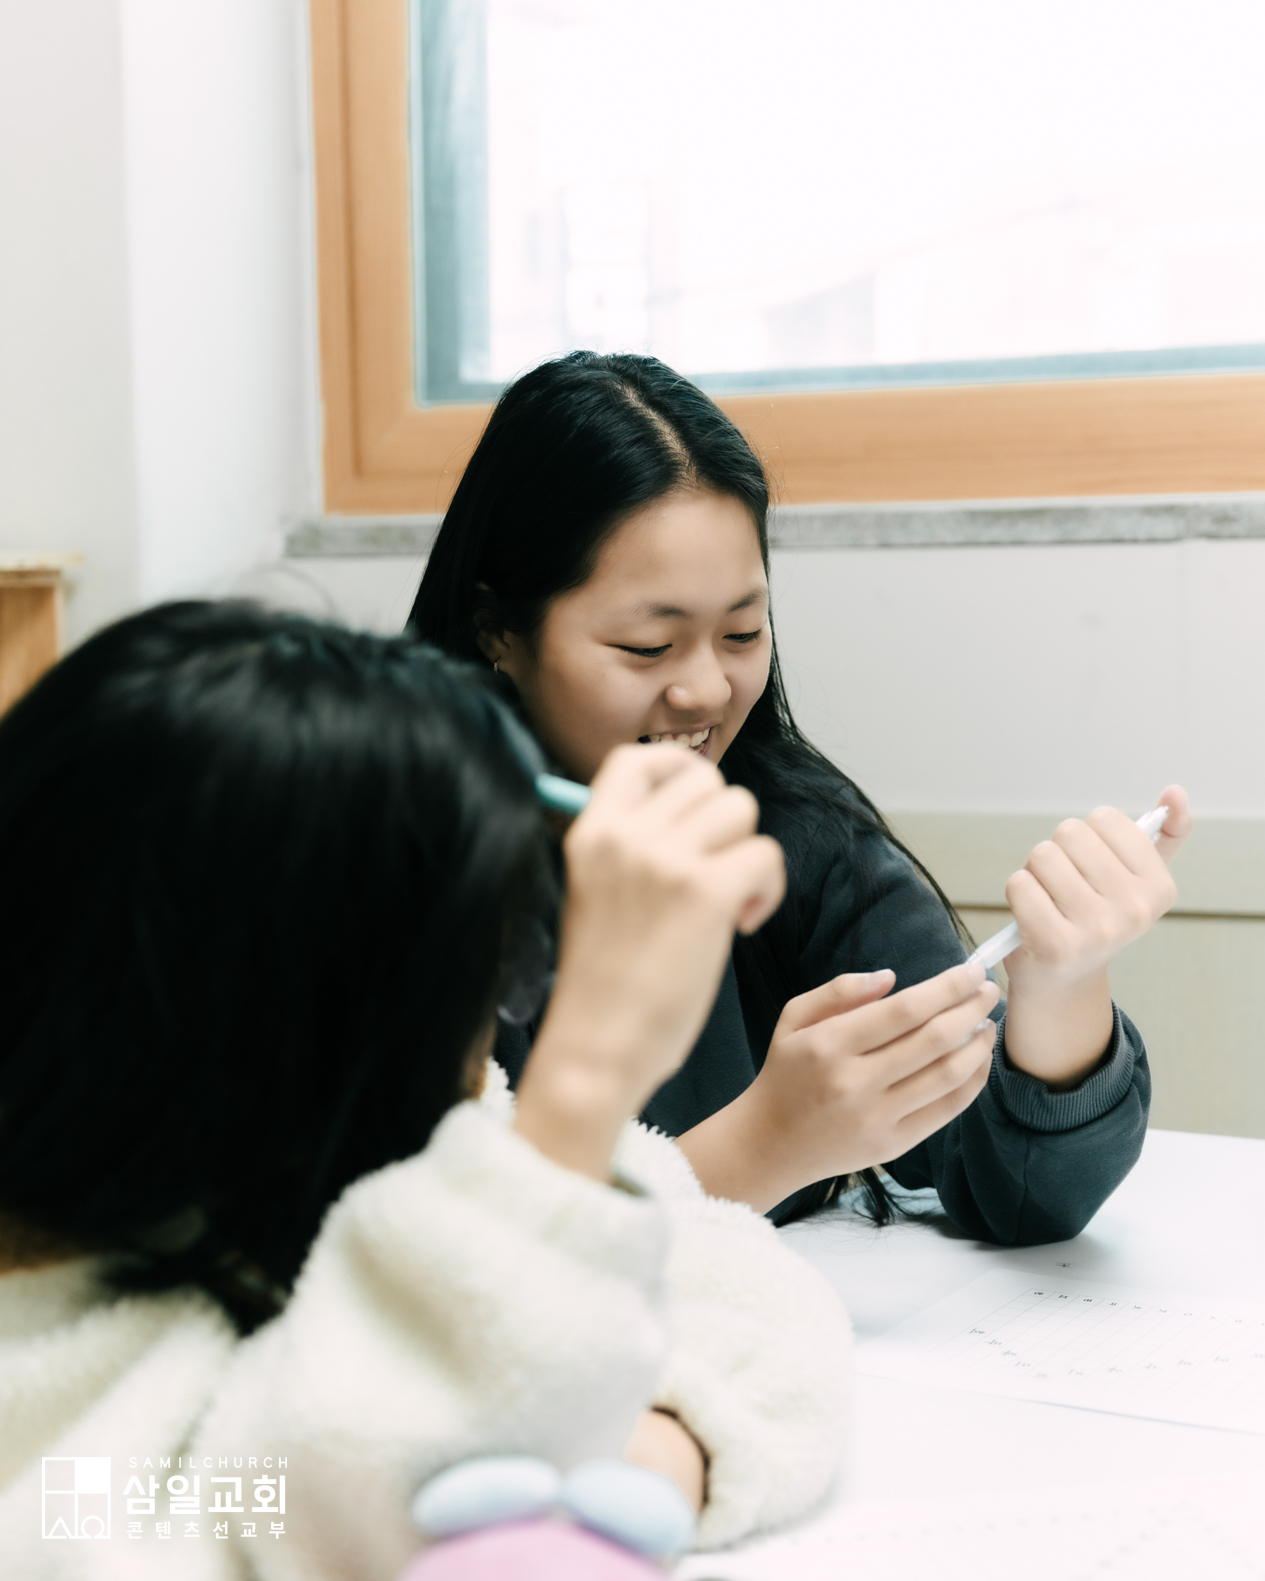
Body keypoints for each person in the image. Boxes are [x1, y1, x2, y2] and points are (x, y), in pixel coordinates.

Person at [0, 602, 850, 1577]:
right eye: (491, 977)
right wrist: (584, 1079)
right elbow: (194, 1514)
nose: (501, 1023)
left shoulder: (423, 1117)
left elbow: (739, 1280)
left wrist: (666, 1445)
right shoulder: (38, 1308)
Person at [408, 350, 1193, 1240]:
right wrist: (763, 1146)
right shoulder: (391, 870)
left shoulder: (795, 835)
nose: (708, 690)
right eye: (646, 646)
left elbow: (1016, 1190)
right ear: (495, 629)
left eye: (742, 632)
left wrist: (1060, 991)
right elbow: (444, 1263)